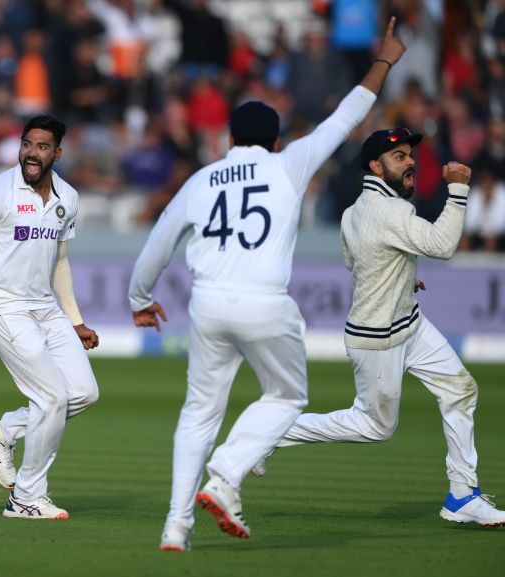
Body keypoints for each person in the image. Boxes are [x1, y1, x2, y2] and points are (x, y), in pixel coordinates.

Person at [128, 18, 406, 551]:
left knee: (198, 413)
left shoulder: (201, 179)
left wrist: (141, 300)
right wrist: (385, 59)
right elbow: (348, 115)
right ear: (275, 139)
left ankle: (176, 526)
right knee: (286, 395)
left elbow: (157, 245)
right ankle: (226, 474)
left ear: (229, 139)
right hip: (264, 304)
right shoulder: (289, 164)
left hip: (207, 305)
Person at [251, 128, 505, 527]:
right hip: (379, 337)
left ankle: (462, 496)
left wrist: (402, 277)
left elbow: (357, 262)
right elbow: (442, 245)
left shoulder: (354, 211)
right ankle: (271, 432)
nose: (409, 163)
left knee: (460, 389)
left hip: (409, 323)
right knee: (374, 427)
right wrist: (457, 191)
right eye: (399, 157)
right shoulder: (392, 212)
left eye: (408, 155)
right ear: (375, 166)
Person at [0, 115, 99, 520]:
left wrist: (76, 320)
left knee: (82, 393)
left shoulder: (69, 198)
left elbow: (60, 263)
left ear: (57, 153)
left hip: (44, 307)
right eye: (27, 144)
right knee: (51, 396)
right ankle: (26, 497)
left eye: (43, 146)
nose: (32, 152)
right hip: (0, 306)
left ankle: (1, 432)